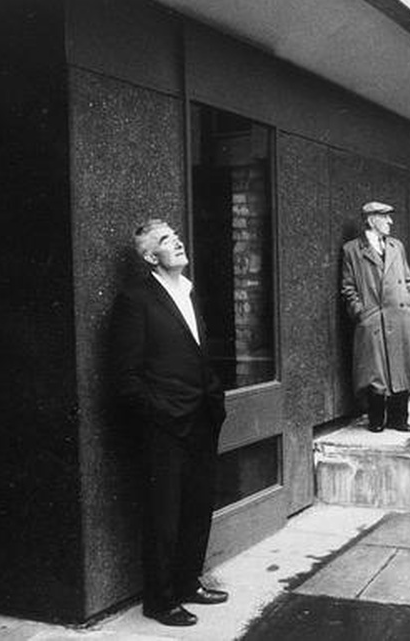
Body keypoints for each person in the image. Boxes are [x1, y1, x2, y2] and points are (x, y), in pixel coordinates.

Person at [111, 219, 229, 627]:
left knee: (198, 506)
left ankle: (186, 583)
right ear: (150, 257)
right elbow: (125, 377)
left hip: (201, 417)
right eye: (165, 240)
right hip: (165, 426)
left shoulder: (189, 291)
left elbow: (196, 354)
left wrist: (214, 396)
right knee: (164, 514)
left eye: (175, 235)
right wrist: (159, 414)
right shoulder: (136, 299)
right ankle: (159, 601)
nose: (177, 241)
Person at [341, 201, 410, 432]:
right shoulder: (352, 249)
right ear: (372, 220)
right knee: (376, 372)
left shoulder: (396, 246)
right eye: (386, 217)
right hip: (373, 317)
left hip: (401, 314)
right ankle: (377, 419)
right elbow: (348, 287)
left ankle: (399, 418)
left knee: (401, 367)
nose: (391, 222)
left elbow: (408, 278)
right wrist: (360, 312)